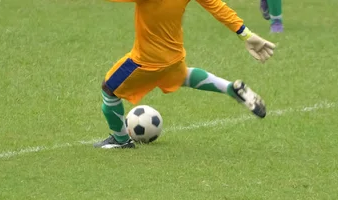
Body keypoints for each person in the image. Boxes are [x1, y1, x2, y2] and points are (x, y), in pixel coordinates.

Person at [94, 0, 276, 149]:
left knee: (109, 89)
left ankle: (121, 140)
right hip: (174, 57)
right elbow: (217, 6)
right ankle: (230, 88)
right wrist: (246, 34)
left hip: (146, 61)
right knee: (183, 77)